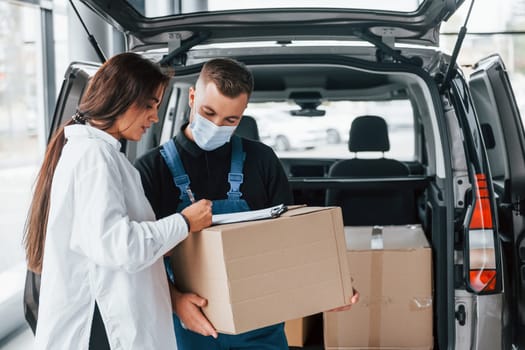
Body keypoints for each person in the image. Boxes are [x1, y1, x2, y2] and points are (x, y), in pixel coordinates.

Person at [135, 58, 358, 350]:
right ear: (192, 97)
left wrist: (327, 285)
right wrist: (175, 300)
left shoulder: (262, 161)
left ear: (243, 114)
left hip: (259, 323)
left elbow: (290, 240)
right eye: (208, 112)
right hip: (185, 325)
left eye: (230, 120)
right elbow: (138, 254)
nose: (216, 126)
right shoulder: (151, 169)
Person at [24, 52, 213, 350]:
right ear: (123, 98)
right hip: (102, 328)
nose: (154, 117)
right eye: (150, 105)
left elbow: (109, 242)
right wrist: (185, 222)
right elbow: (120, 247)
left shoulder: (100, 154)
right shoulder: (94, 157)